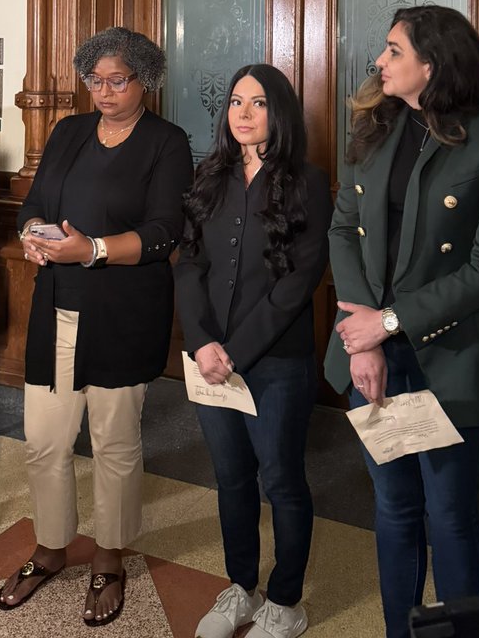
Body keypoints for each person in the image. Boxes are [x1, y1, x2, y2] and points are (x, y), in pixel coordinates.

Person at [325, 5, 479, 637]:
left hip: (452, 354)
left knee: (451, 514)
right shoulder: (371, 126)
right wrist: (364, 336)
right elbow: (343, 231)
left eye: (392, 51)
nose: (379, 62)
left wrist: (386, 323)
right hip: (373, 351)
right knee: (393, 507)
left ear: (432, 64)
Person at [0, 26, 192, 626]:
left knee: (114, 443)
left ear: (146, 81)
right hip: (58, 307)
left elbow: (165, 232)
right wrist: (32, 235)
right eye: (95, 80)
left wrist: (95, 250)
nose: (104, 92)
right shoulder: (68, 131)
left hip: (123, 313)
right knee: (45, 440)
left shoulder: (168, 142)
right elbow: (35, 203)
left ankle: (110, 555)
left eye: (119, 81)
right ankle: (52, 547)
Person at [175, 64, 331, 638]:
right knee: (231, 477)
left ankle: (286, 601)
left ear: (280, 112)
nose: (242, 113)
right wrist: (200, 344)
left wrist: (233, 351)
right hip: (210, 359)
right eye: (236, 102)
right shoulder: (209, 176)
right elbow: (190, 264)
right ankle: (240, 586)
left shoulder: (308, 182)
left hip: (276, 362)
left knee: (282, 479)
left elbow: (298, 283)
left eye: (258, 103)